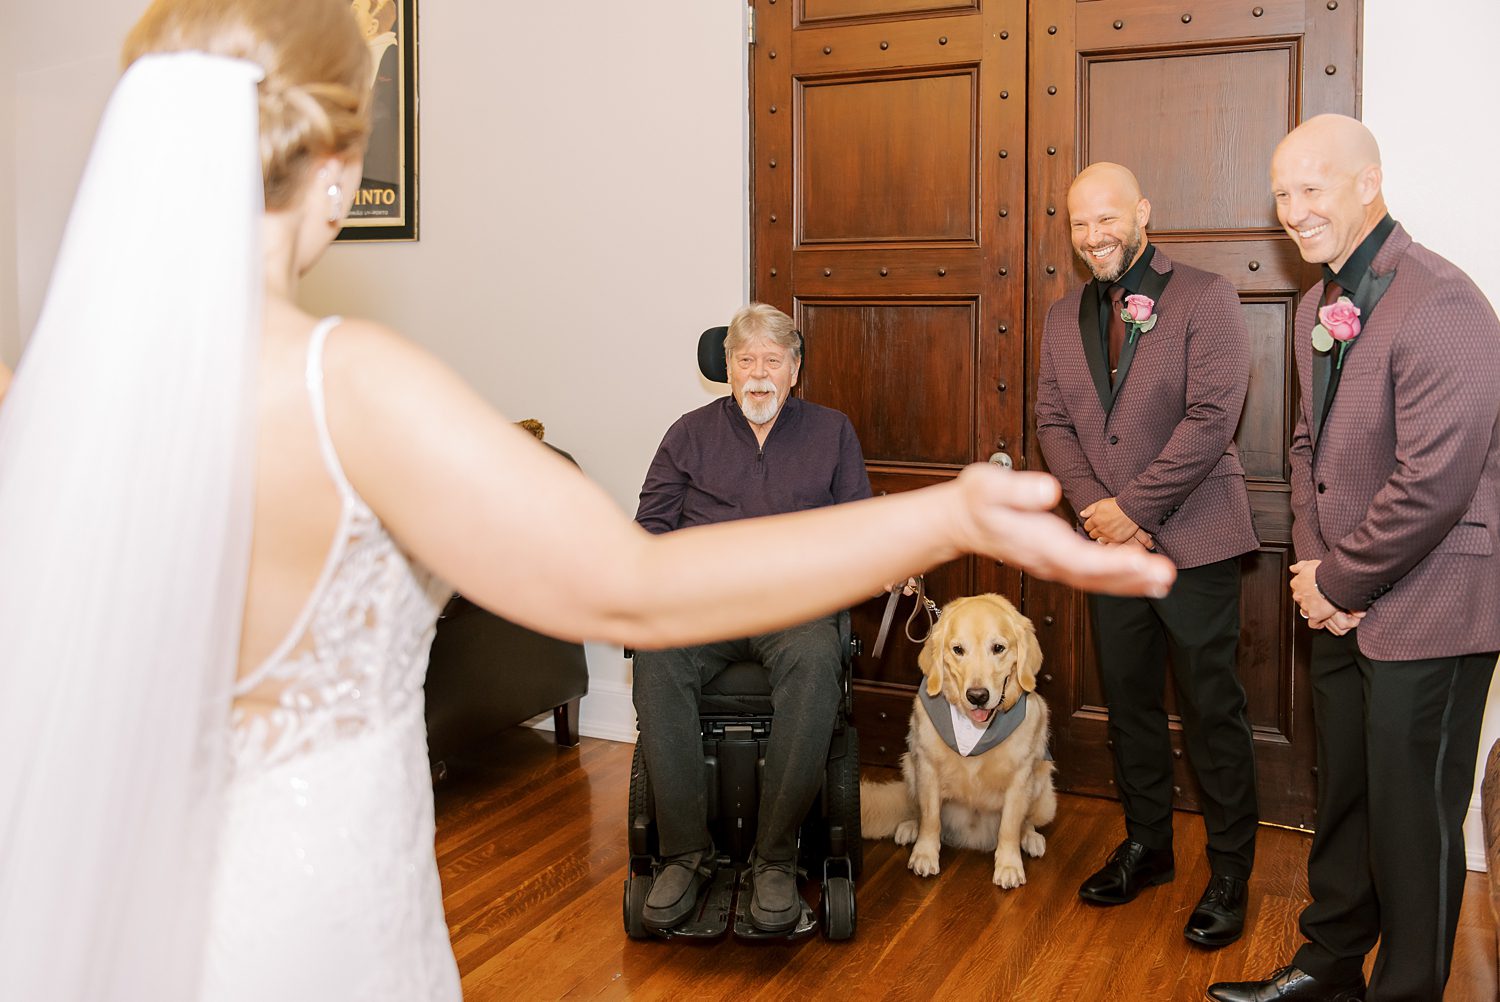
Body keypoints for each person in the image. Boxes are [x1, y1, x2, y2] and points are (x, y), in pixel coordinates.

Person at [0, 1, 1175, 999]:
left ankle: (766, 861)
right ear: (338, 161)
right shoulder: (345, 383)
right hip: (306, 920)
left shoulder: (42, 396)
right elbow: (634, 580)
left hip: (112, 905)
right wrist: (955, 515)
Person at [1208, 115, 1500, 1002]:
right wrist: (1318, 573)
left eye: (1312, 188)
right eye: (1283, 196)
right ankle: (1327, 966)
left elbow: (1435, 484)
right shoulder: (1314, 307)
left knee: (1414, 823)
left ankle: (1405, 990)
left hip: (1436, 603)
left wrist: (1337, 578)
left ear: (1368, 182)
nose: (1295, 211)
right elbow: (1307, 450)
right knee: (1347, 799)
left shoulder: (1443, 301)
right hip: (1343, 598)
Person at [1035, 163, 1260, 948]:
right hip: (1108, 547)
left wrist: (1133, 509)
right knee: (1129, 705)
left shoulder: (1205, 296)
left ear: (1141, 213)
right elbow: (1052, 419)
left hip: (1195, 540)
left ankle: (1230, 872)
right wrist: (1099, 510)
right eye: (1078, 223)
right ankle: (1149, 846)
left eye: (1106, 219)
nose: (1092, 236)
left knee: (1211, 710)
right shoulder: (1063, 317)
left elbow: (1211, 419)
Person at [631, 302, 870, 933]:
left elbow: (859, 531)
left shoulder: (831, 432)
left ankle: (773, 858)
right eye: (744, 361)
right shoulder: (688, 433)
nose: (758, 375)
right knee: (656, 652)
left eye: (771, 360)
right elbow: (650, 530)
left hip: (792, 610)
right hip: (705, 607)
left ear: (795, 369)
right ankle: (685, 855)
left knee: (818, 655)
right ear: (726, 369)